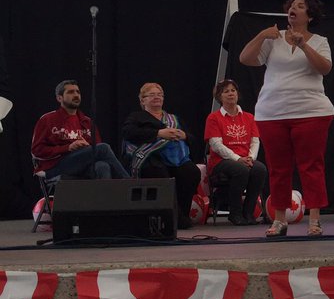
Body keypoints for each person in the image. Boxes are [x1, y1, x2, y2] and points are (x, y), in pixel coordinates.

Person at [239, 0, 333, 238]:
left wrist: (303, 45)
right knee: (278, 168)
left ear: (309, 16)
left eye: (300, 6)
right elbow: (245, 59)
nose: (293, 8)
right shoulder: (274, 38)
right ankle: (279, 219)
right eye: (292, 5)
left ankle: (314, 220)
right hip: (272, 112)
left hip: (311, 112)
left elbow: (325, 68)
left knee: (311, 165)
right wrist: (261, 36)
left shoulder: (320, 41)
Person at [122, 82, 201, 228]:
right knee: (159, 173)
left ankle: (182, 213)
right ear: (142, 100)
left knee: (191, 172)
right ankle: (170, 217)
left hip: (176, 159)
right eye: (151, 95)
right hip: (150, 158)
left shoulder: (173, 119)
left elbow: (193, 139)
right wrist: (158, 133)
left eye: (159, 94)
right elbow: (128, 133)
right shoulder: (137, 117)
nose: (156, 97)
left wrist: (183, 135)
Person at [31, 80, 129, 180]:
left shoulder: (87, 122)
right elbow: (36, 151)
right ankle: (129, 183)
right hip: (55, 166)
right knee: (103, 148)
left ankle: (104, 196)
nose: (76, 95)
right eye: (70, 92)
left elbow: (97, 152)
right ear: (59, 98)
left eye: (78, 92)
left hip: (81, 164)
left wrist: (85, 147)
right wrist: (68, 147)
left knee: (102, 166)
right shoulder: (47, 119)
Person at [204, 79, 268, 226]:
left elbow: (255, 141)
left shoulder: (249, 117)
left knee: (260, 169)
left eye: (233, 90)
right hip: (222, 161)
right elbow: (216, 145)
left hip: (245, 159)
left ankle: (248, 213)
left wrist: (250, 158)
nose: (230, 94)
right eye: (226, 91)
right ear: (220, 97)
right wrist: (238, 158)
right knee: (241, 170)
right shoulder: (213, 118)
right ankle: (235, 213)